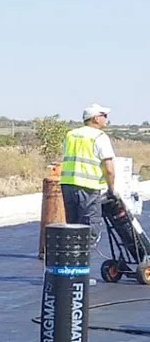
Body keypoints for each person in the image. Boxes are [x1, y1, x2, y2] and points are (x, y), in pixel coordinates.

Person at [60, 103, 118, 251]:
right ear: (95, 118)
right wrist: (112, 189)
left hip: (67, 185)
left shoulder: (71, 134)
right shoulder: (99, 136)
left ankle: (71, 264)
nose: (106, 119)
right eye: (104, 116)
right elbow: (109, 168)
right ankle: (82, 267)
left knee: (73, 228)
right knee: (89, 230)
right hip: (88, 187)